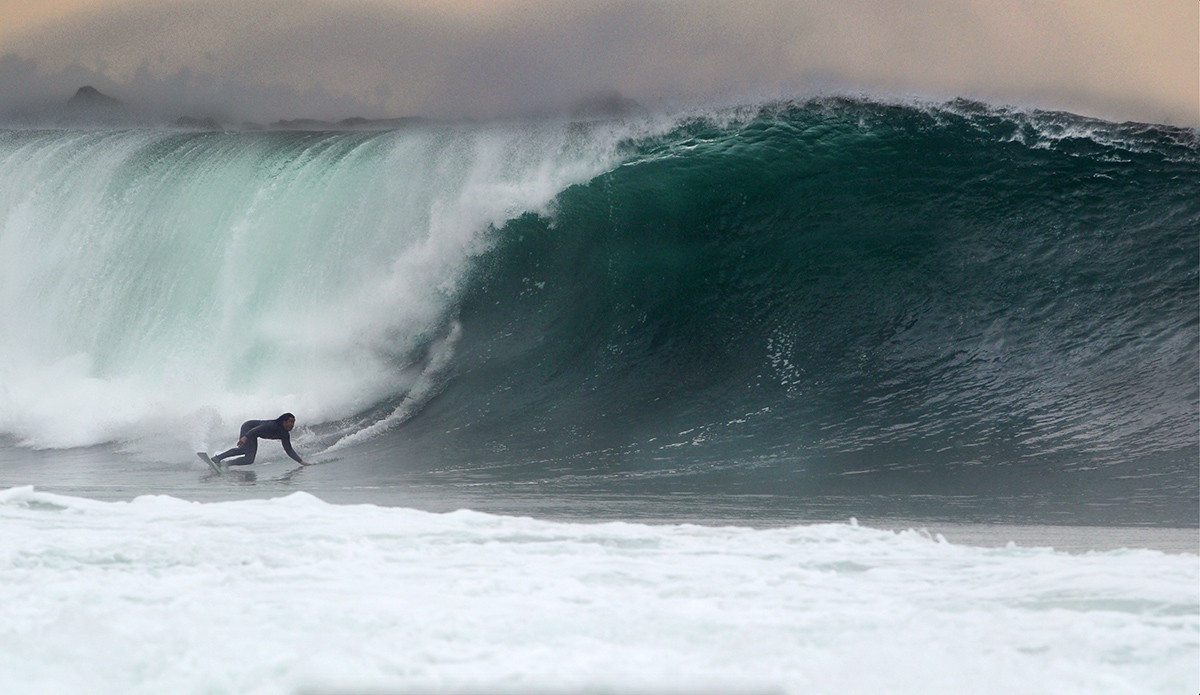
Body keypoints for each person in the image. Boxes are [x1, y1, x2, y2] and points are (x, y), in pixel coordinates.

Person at [212, 413, 310, 467]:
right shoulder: (272, 425)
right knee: (243, 450)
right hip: (249, 427)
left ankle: (226, 464)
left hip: (254, 434)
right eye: (290, 421)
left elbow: (289, 450)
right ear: (284, 421)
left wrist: (302, 462)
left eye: (293, 422)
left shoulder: (284, 435)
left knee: (249, 460)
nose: (292, 424)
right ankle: (217, 458)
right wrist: (246, 437)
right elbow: (257, 429)